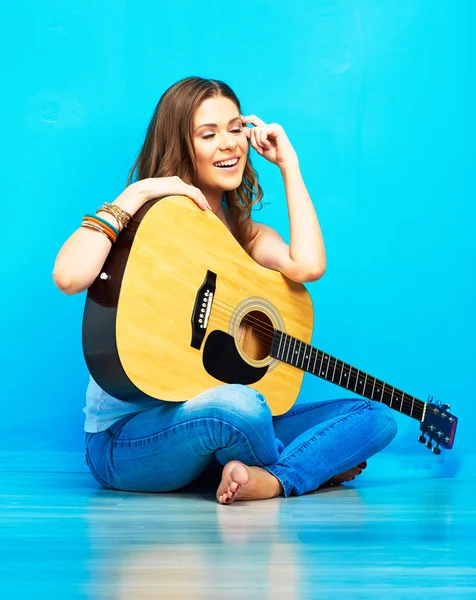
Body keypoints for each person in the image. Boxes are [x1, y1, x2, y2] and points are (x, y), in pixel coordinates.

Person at [53, 76, 397, 504]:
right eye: (208, 134)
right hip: (128, 440)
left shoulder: (244, 233)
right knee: (243, 407)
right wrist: (139, 191)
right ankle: (292, 470)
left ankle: (266, 479)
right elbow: (69, 277)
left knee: (374, 416)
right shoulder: (150, 218)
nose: (229, 144)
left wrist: (289, 164)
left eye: (236, 129)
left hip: (219, 428)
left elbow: (308, 266)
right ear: (181, 144)